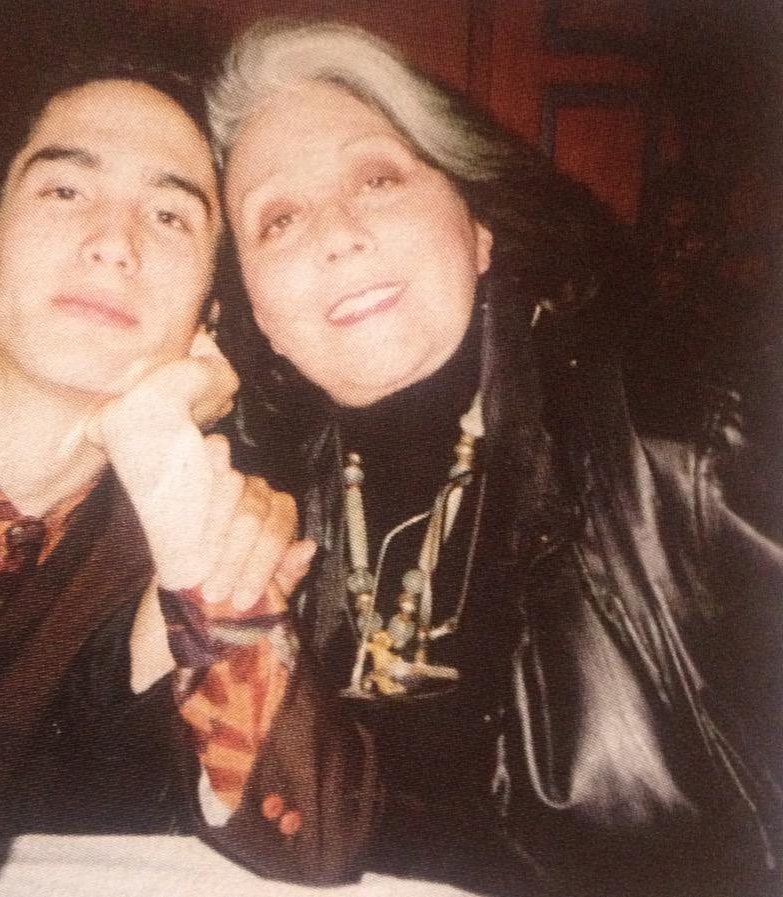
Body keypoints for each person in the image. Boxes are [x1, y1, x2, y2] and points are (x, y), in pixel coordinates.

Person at [0, 49, 374, 881]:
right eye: (65, 191)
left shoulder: (163, 536)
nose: (113, 244)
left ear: (209, 310)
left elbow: (309, 840)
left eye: (169, 215)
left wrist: (169, 475)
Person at [206, 19, 783, 897]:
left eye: (377, 178)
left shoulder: (685, 440)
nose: (337, 233)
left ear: (478, 226)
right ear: (256, 310)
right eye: (279, 219)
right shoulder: (260, 498)